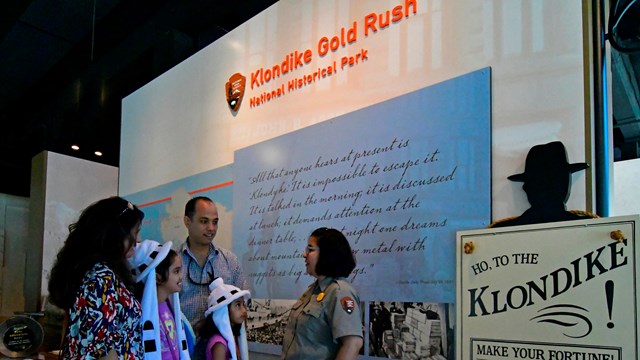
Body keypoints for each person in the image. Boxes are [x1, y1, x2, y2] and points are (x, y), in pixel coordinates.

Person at [47, 196, 144, 359]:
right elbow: (103, 349)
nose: (138, 240)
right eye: (135, 233)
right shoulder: (102, 278)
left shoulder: (91, 272)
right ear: (114, 235)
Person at [281, 227, 363, 360]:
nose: (304, 254)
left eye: (311, 250)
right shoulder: (313, 290)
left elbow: (353, 343)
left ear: (327, 254)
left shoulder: (340, 291)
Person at [490, 141, 598, 228]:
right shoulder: (589, 227)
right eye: (542, 184)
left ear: (526, 188)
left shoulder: (503, 230)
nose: (548, 189)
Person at [179, 196, 247, 328]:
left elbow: (243, 307)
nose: (211, 228)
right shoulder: (172, 263)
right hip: (184, 346)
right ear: (187, 221)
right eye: (204, 221)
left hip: (221, 346)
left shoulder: (230, 261)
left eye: (215, 222)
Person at [129, 240, 191, 359]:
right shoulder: (142, 315)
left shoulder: (168, 307)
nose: (181, 276)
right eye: (176, 271)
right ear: (158, 278)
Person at [195, 277, 251, 360]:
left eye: (243, 304)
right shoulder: (219, 344)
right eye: (238, 305)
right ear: (223, 312)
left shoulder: (231, 336)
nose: (244, 310)